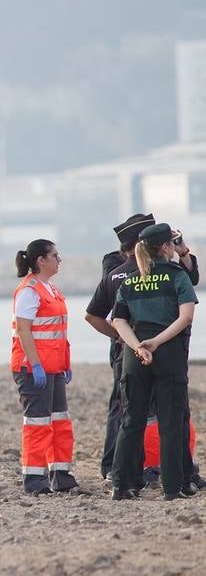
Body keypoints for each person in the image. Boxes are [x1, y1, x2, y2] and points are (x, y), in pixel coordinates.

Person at [109, 223, 197, 501]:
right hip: (167, 351)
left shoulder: (130, 280)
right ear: (165, 248)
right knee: (171, 421)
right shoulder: (176, 276)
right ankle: (172, 488)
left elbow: (118, 319)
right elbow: (185, 318)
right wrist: (156, 343)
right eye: (171, 243)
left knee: (131, 420)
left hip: (135, 355)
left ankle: (121, 485)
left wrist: (136, 346)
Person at [84, 213, 155, 482]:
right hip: (128, 347)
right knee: (125, 407)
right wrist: (121, 335)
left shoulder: (122, 269)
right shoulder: (116, 267)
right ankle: (115, 465)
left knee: (132, 408)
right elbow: (102, 312)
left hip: (128, 343)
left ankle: (137, 465)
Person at [11, 239, 77, 494]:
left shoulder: (50, 288)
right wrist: (36, 365)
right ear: (41, 260)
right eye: (55, 255)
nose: (59, 259)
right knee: (37, 423)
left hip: (54, 367)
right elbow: (24, 331)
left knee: (60, 421)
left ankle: (61, 475)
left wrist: (64, 364)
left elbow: (57, 330)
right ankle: (34, 479)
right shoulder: (29, 290)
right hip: (34, 369)